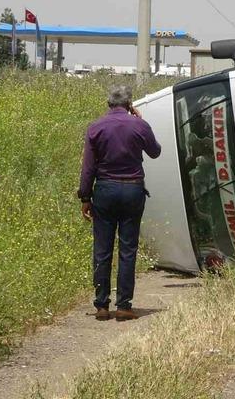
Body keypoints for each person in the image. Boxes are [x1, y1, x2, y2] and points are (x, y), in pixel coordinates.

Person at [78, 85, 162, 320]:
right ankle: (124, 305)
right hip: (133, 189)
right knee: (128, 248)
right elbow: (155, 152)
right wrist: (141, 121)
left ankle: (102, 305)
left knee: (102, 249)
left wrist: (85, 197)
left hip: (105, 189)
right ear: (129, 105)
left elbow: (88, 168)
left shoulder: (96, 127)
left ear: (108, 105)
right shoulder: (139, 125)